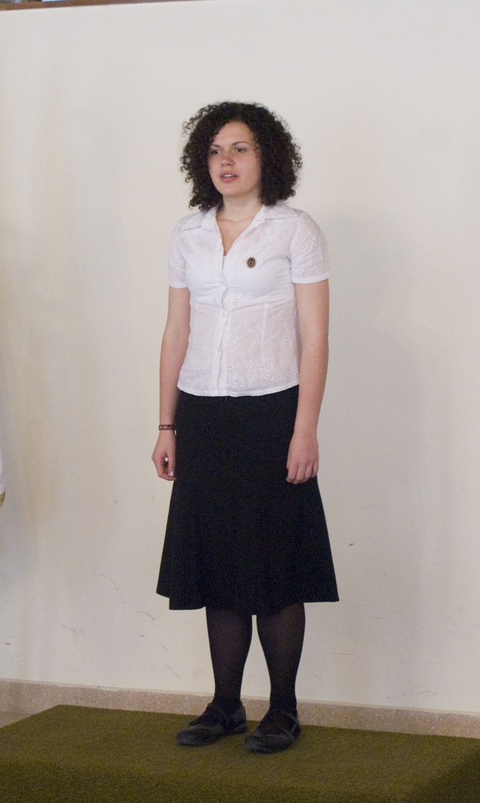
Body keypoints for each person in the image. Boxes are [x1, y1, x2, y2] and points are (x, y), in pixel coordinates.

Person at [151, 101, 339, 754]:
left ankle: (283, 709)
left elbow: (314, 338)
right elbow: (177, 330)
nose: (225, 161)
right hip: (203, 415)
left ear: (268, 157)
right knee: (216, 565)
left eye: (240, 148)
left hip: (272, 415)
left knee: (276, 565)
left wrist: (304, 429)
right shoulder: (188, 234)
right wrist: (167, 424)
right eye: (215, 150)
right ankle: (225, 705)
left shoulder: (294, 231)